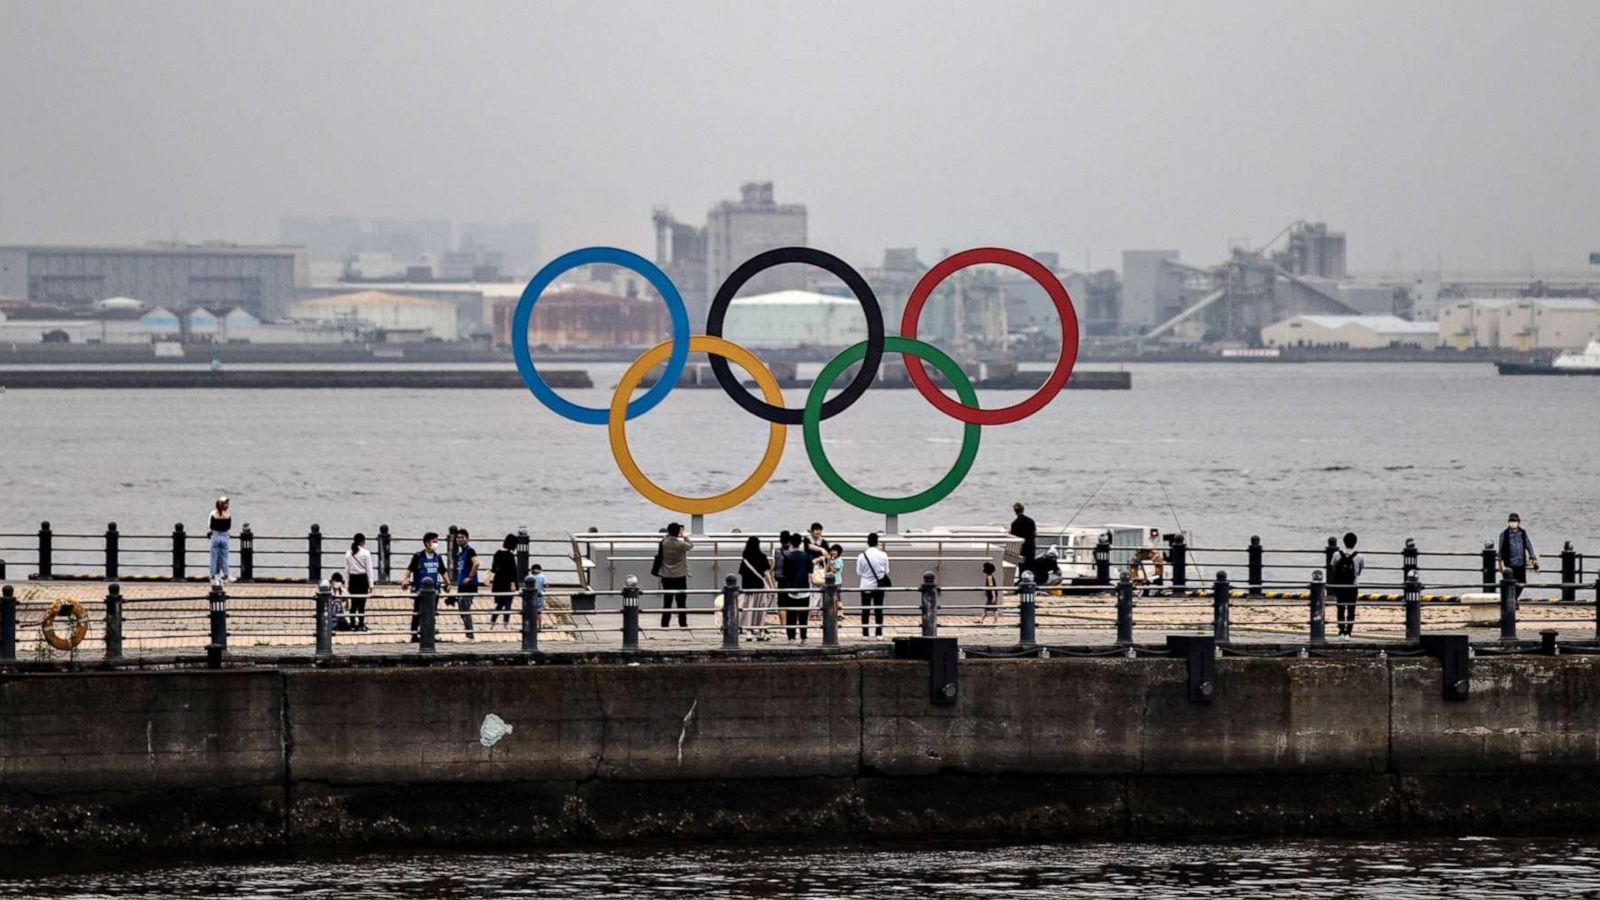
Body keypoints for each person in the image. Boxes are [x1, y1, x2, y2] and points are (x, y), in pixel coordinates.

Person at [402, 532, 449, 642]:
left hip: (434, 590)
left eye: (437, 542)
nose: (436, 544)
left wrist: (448, 583)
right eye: (434, 542)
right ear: (427, 543)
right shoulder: (418, 556)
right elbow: (409, 569)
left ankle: (429, 634)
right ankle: (414, 635)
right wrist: (404, 580)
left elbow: (443, 571)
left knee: (432, 613)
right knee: (418, 612)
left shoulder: (438, 557)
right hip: (420, 590)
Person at [738, 535, 774, 641]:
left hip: (748, 588)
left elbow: (741, 572)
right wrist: (772, 586)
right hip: (759, 587)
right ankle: (759, 631)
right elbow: (766, 573)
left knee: (749, 610)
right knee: (760, 610)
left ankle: (748, 632)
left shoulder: (745, 558)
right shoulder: (762, 556)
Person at [1328, 531, 1364, 638]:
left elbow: (1333, 568)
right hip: (1353, 585)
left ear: (1343, 542)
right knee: (1351, 608)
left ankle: (1341, 631)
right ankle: (1349, 632)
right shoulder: (1360, 556)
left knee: (1340, 607)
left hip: (1340, 586)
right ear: (1355, 543)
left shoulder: (1336, 554)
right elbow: (1359, 571)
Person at [657, 522, 693, 628]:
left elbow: (665, 537)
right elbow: (690, 546)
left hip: (666, 575)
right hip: (680, 576)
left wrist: (671, 533)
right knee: (681, 602)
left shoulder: (664, 542)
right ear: (678, 531)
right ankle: (683, 624)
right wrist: (684, 535)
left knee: (667, 601)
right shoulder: (680, 544)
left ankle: (664, 624)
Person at [779, 532, 813, 642]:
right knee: (803, 614)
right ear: (800, 543)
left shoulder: (788, 557)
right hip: (804, 588)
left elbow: (785, 573)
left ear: (791, 543)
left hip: (791, 589)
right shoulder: (807, 556)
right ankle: (803, 636)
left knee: (791, 614)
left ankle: (791, 636)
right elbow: (810, 570)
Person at [1497, 513, 1539, 600]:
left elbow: (1528, 545)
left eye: (1515, 521)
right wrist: (1500, 563)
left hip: (1521, 563)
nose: (1513, 523)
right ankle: (1512, 602)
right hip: (1509, 564)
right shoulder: (1504, 534)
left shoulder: (1523, 533)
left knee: (1522, 582)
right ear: (1508, 522)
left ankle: (1513, 599)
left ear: (1518, 522)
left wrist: (1532, 556)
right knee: (1510, 584)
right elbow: (1500, 550)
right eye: (1511, 521)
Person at [856, 532, 890, 638]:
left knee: (865, 610)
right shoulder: (883, 555)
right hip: (879, 585)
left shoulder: (862, 556)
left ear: (867, 542)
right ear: (877, 542)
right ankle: (879, 633)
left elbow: (859, 572)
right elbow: (887, 571)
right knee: (878, 609)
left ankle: (865, 634)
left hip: (865, 585)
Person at [453, 529, 480, 640]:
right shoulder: (461, 552)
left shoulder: (470, 550)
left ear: (467, 539)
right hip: (461, 585)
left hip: (469, 585)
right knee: (462, 610)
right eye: (458, 537)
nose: (460, 539)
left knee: (465, 609)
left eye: (462, 537)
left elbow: (477, 563)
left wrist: (470, 576)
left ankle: (470, 635)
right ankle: (468, 633)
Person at [344, 532, 374, 632]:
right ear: (362, 541)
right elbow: (369, 570)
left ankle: (352, 624)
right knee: (361, 604)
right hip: (362, 579)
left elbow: (347, 569)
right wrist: (371, 584)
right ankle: (361, 624)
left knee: (353, 603)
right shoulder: (366, 553)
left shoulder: (349, 553)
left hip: (353, 579)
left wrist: (346, 583)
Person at [490, 533, 519, 631]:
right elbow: (512, 571)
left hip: (498, 582)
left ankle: (492, 623)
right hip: (508, 582)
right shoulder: (510, 555)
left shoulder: (497, 553)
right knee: (507, 604)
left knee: (499, 604)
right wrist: (513, 583)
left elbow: (493, 569)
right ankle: (505, 624)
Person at [208, 496, 232, 584]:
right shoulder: (228, 516)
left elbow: (211, 526)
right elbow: (228, 527)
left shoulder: (214, 515)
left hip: (216, 535)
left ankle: (213, 575)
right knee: (225, 557)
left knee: (214, 557)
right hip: (224, 536)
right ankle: (226, 575)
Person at [1009, 502, 1037, 571]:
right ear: (1023, 509)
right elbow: (1035, 534)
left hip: (1021, 549)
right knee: (1030, 567)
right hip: (1030, 547)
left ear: (1015, 511)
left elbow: (1013, 537)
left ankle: (1022, 580)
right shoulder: (1030, 521)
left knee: (1022, 567)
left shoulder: (1014, 524)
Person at [827, 544, 846, 621]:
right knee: (833, 598)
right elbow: (827, 570)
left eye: (835, 551)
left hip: (837, 581)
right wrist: (829, 562)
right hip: (831, 582)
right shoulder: (832, 560)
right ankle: (835, 613)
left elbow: (834, 570)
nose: (833, 552)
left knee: (838, 597)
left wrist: (830, 563)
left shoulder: (839, 560)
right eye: (832, 550)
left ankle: (840, 613)